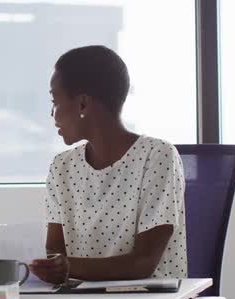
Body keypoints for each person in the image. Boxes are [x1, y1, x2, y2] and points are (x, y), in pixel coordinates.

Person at [29, 45, 187, 283]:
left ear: (82, 104)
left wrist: (67, 267)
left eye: (55, 101)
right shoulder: (61, 167)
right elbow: (54, 253)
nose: (52, 114)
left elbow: (144, 263)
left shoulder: (157, 156)